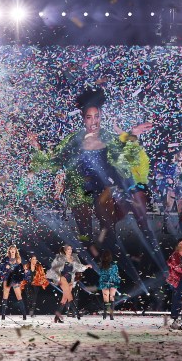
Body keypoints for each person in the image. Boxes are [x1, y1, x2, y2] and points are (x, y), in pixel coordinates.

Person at [30, 87, 152, 254]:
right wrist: (36, 147)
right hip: (81, 188)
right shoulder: (74, 140)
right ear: (83, 119)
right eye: (89, 117)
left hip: (105, 187)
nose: (94, 122)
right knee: (85, 232)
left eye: (97, 117)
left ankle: (111, 261)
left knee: (108, 227)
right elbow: (55, 160)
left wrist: (132, 134)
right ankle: (88, 257)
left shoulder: (107, 136)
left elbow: (124, 156)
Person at [47, 245, 91, 322]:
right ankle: (77, 313)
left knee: (64, 299)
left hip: (70, 279)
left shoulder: (73, 258)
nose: (70, 250)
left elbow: (79, 267)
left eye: (71, 249)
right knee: (69, 296)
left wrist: (86, 266)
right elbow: (54, 267)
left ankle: (56, 318)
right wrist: (58, 276)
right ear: (65, 250)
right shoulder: (60, 258)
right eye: (68, 249)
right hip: (62, 278)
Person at [0, 245, 27, 320]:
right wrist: (5, 267)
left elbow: (21, 270)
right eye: (11, 249)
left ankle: (24, 315)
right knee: (5, 296)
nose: (13, 250)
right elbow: (0, 268)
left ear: (16, 250)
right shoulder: (6, 259)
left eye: (14, 249)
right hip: (7, 278)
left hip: (15, 279)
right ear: (9, 251)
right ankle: (3, 316)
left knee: (19, 296)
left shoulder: (18, 259)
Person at [98, 249, 120, 320]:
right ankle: (110, 314)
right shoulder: (113, 264)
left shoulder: (102, 264)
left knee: (107, 298)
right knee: (110, 298)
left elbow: (101, 273)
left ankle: (106, 314)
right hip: (112, 281)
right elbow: (116, 273)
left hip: (106, 281)